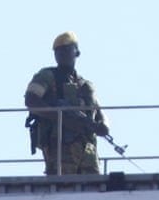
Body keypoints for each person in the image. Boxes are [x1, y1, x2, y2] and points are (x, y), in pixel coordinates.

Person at [25, 32, 108, 176]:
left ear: (77, 52)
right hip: (60, 145)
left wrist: (103, 125)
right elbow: (31, 100)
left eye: (66, 49)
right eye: (58, 51)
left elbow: (99, 112)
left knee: (94, 188)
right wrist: (59, 116)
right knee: (63, 185)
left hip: (88, 148)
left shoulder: (85, 85)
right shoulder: (47, 76)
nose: (61, 54)